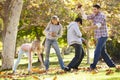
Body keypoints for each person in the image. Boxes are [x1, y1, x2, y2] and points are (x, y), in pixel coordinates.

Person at [79, 4, 116, 73]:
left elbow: (98, 25)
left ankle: (93, 66)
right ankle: (112, 65)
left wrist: (88, 28)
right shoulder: (94, 15)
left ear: (99, 9)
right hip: (99, 36)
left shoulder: (101, 16)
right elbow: (85, 17)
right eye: (93, 9)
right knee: (103, 53)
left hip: (103, 35)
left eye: (95, 9)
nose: (94, 11)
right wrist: (81, 9)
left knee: (97, 50)